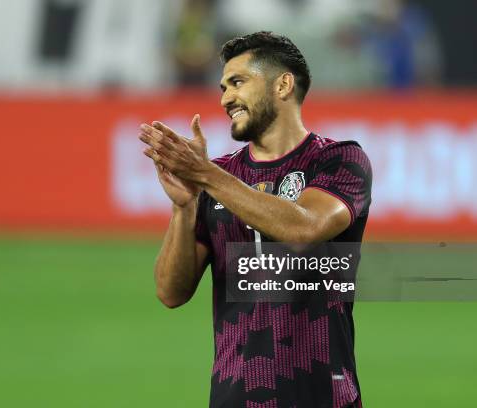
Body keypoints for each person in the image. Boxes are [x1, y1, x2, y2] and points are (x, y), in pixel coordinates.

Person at [138, 32, 371, 408]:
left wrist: (206, 177)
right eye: (223, 86)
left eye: (238, 82)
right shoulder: (218, 176)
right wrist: (183, 209)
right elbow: (171, 292)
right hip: (235, 396)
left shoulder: (338, 160)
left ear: (282, 84)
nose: (225, 98)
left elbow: (304, 228)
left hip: (322, 396)